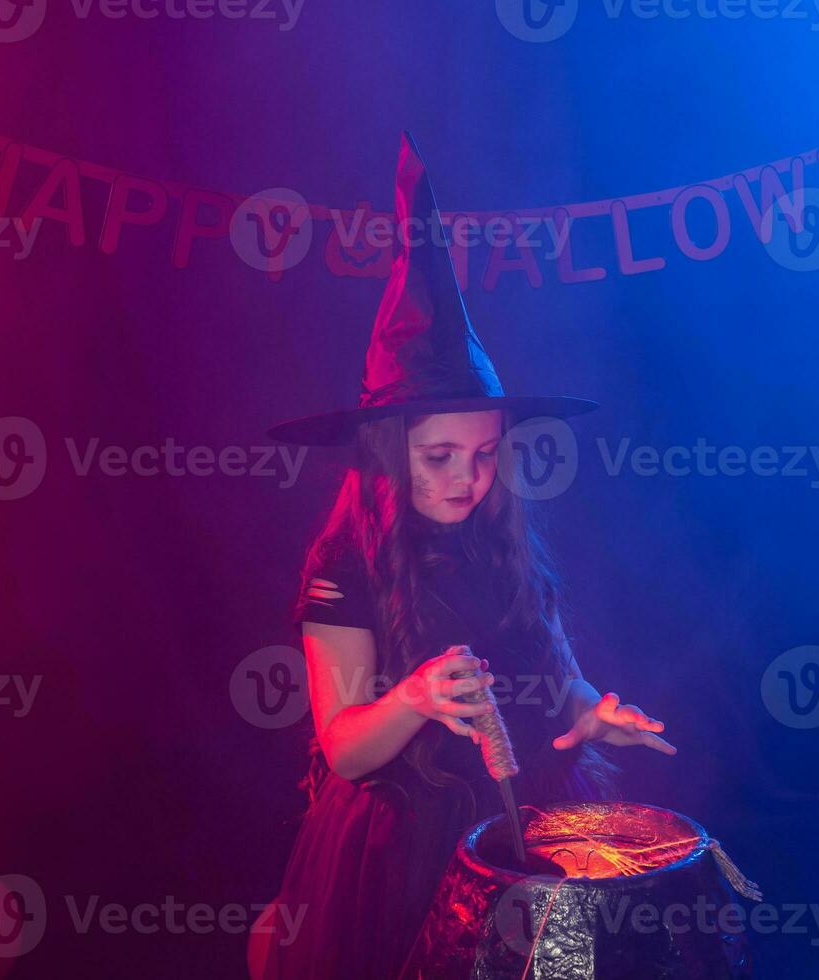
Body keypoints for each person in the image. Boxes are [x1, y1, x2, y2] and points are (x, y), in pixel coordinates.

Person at [249, 135, 676, 980]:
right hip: (403, 849)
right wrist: (411, 696)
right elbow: (343, 748)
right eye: (440, 457)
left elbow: (558, 679)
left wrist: (591, 714)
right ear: (387, 450)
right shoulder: (346, 562)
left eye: (484, 456)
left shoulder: (504, 541)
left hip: (526, 819)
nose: (468, 479)